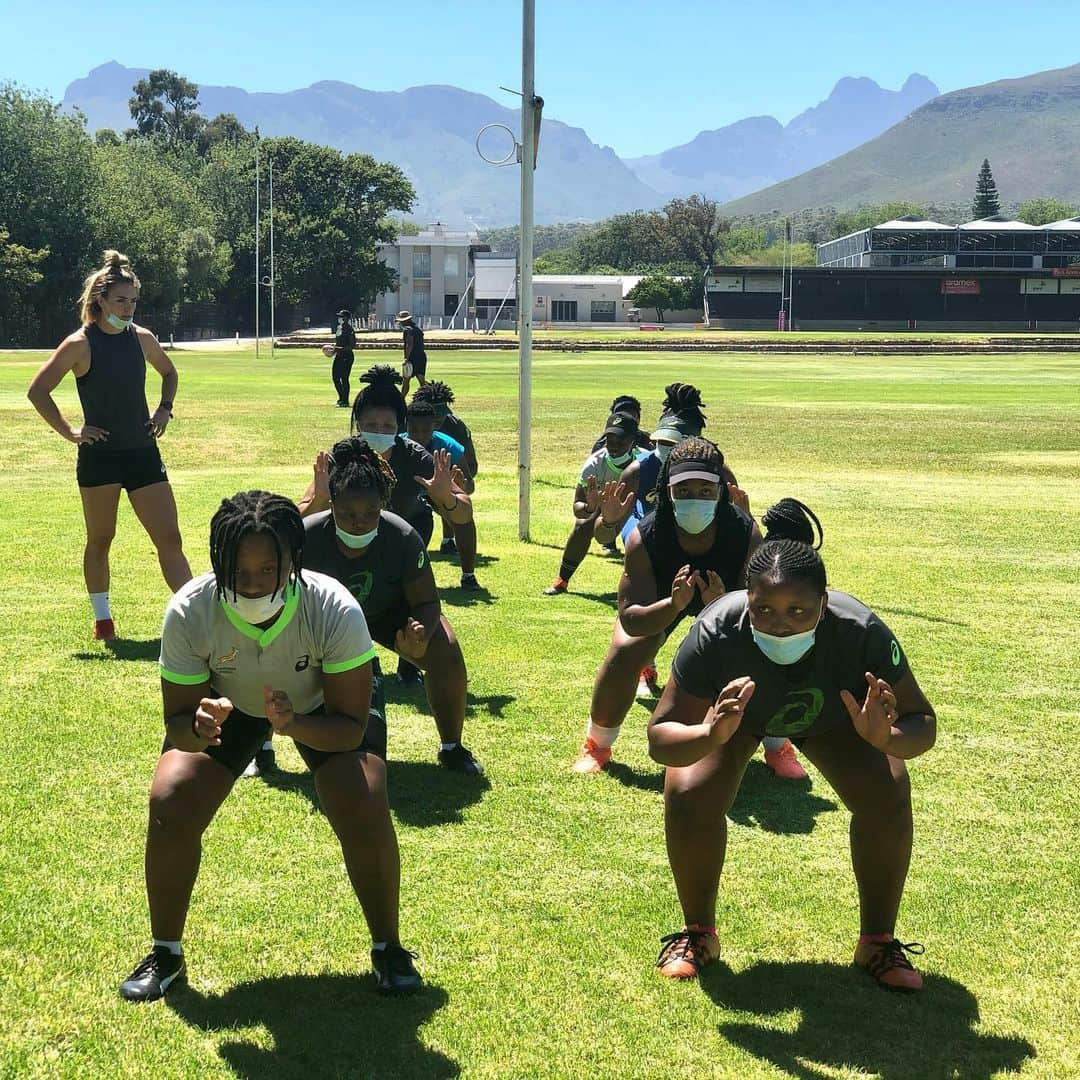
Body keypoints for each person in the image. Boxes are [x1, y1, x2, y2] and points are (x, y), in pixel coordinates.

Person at [118, 490, 422, 1001]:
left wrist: (294, 723)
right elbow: (176, 725)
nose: (253, 582)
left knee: (363, 800)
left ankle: (388, 947)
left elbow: (348, 727)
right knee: (170, 801)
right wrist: (198, 726)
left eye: (268, 568)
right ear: (217, 561)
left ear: (293, 561)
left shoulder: (332, 608)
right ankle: (165, 951)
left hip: (322, 706)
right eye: (238, 570)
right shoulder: (190, 610)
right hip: (232, 705)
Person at [648, 536, 936, 990]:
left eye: (798, 611)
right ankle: (698, 934)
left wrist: (887, 737)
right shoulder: (715, 631)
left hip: (835, 720)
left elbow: (923, 722)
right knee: (687, 792)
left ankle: (877, 941)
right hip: (736, 720)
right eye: (764, 611)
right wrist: (709, 733)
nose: (780, 625)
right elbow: (661, 740)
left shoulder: (859, 629)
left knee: (887, 793)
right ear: (747, 601)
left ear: (823, 603)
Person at [572, 436, 769, 775]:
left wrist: (723, 607)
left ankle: (779, 745)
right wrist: (673, 604)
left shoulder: (745, 533)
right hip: (664, 597)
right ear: (666, 491)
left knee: (764, 653)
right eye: (684, 491)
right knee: (625, 652)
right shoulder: (646, 536)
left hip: (727, 603)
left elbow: (763, 614)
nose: (696, 500)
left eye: (706, 491)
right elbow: (632, 620)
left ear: (721, 491)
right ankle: (597, 744)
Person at [27, 249, 192, 640]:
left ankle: (194, 616)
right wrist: (71, 432)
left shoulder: (143, 339)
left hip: (142, 455)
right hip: (100, 459)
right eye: (121, 300)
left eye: (134, 300)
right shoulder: (80, 344)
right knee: (101, 539)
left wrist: (164, 410)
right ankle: (103, 620)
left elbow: (169, 373)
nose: (129, 307)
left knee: (169, 538)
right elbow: (38, 391)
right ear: (100, 300)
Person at [303, 437, 482, 774]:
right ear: (332, 505)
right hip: (321, 623)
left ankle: (452, 746)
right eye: (347, 513)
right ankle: (262, 747)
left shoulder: (401, 537)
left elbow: (428, 601)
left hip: (384, 613)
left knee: (446, 648)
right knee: (270, 651)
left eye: (371, 512)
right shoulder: (307, 537)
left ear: (383, 504)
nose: (360, 521)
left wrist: (420, 631)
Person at [298, 365, 472, 689]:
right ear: (357, 426)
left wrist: (446, 497)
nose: (379, 430)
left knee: (439, 640)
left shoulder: (416, 456)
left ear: (399, 427)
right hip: (349, 558)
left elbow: (463, 514)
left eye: (388, 425)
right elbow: (301, 514)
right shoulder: (343, 456)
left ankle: (409, 659)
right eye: (371, 425)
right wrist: (321, 497)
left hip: (401, 557)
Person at [543, 411, 640, 596]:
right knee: (582, 526)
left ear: (633, 441)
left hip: (635, 509)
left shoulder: (644, 460)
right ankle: (562, 581)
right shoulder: (594, 464)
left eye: (620, 442)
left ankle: (643, 588)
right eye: (609, 441)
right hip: (604, 509)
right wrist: (589, 507)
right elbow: (577, 508)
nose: (613, 447)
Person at [405, 399, 481, 591]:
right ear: (406, 427)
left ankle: (468, 576)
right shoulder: (399, 444)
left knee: (464, 519)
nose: (420, 436)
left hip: (439, 493)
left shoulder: (448, 445)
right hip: (408, 495)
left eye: (425, 430)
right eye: (414, 430)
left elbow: (469, 485)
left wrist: (460, 486)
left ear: (435, 426)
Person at [412, 381, 479, 559]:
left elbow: (470, 466)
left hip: (444, 480)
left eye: (443, 411)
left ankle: (449, 540)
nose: (439, 417)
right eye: (435, 412)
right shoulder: (408, 426)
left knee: (451, 499)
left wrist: (461, 486)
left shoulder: (455, 427)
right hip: (413, 482)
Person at [396, 310, 428, 398]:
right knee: (422, 381)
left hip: (412, 358)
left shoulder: (408, 330)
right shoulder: (417, 329)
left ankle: (401, 400)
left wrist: (406, 358)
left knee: (406, 381)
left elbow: (409, 344)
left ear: (405, 321)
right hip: (421, 357)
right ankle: (429, 396)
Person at [331, 309, 357, 408]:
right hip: (339, 355)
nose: (339, 318)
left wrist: (339, 348)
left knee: (344, 378)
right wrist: (333, 350)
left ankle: (345, 400)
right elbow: (338, 342)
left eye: (341, 316)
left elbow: (352, 345)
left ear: (346, 318)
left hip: (346, 356)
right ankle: (341, 398)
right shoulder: (339, 328)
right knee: (335, 377)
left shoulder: (349, 329)